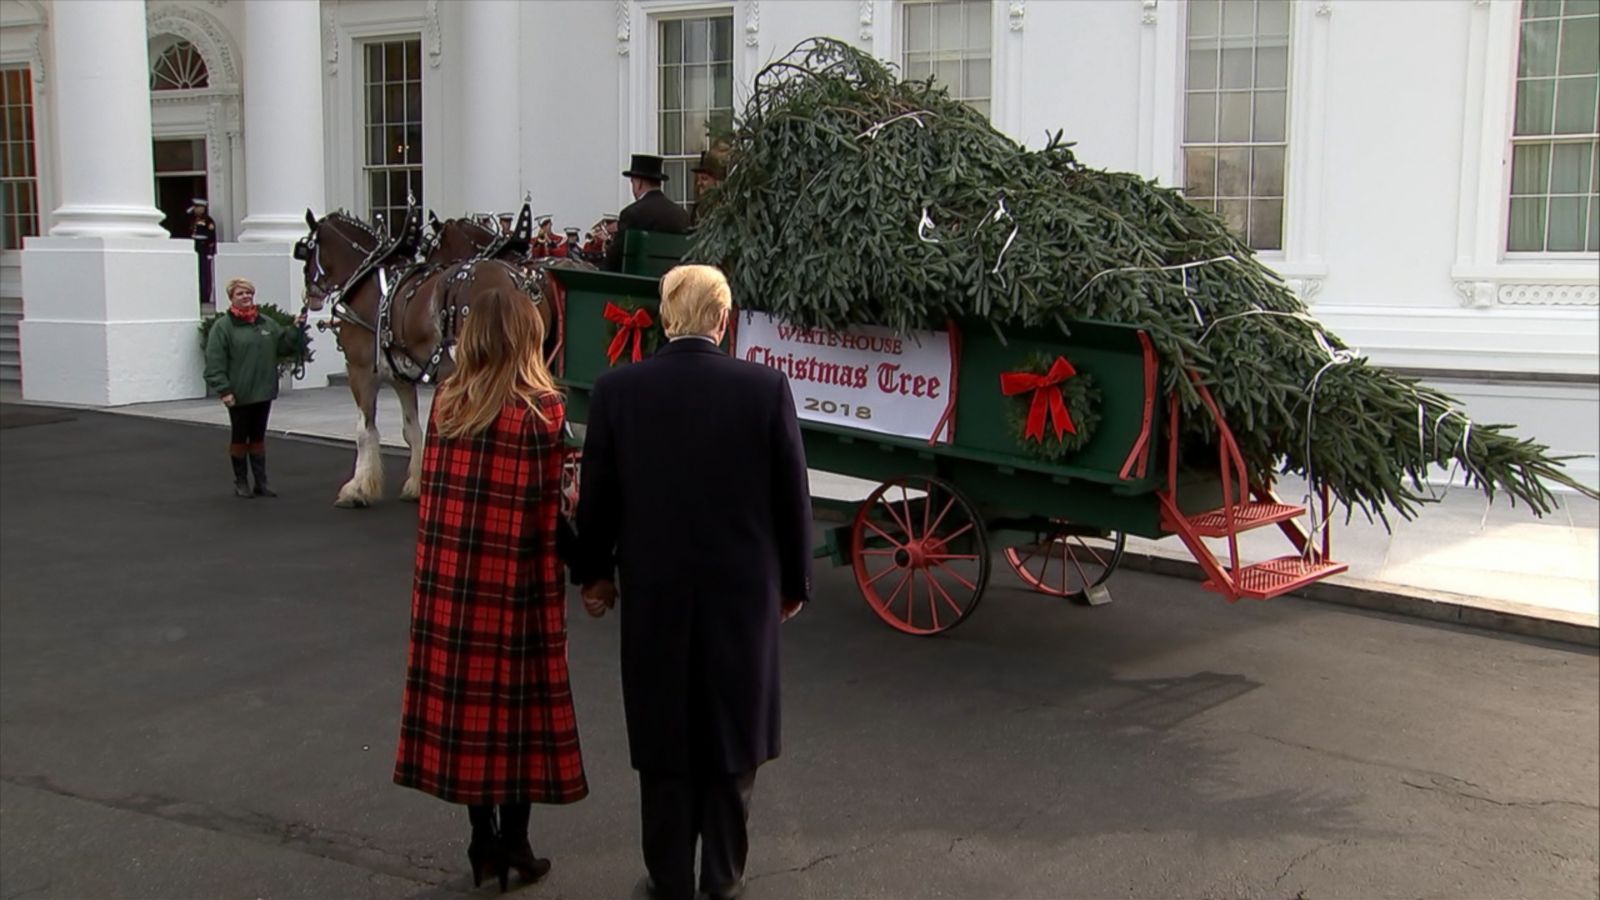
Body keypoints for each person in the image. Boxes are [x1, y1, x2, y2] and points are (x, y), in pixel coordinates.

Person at [576, 265, 812, 900]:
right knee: (733, 738)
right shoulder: (765, 388)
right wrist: (794, 581)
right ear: (723, 318)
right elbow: (792, 498)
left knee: (663, 735)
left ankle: (668, 877)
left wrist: (594, 574)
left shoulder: (618, 390)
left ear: (665, 315)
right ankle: (722, 878)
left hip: (656, 590)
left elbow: (597, 498)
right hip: (743, 592)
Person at [393, 286, 588, 892]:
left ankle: (482, 844)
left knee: (471, 716)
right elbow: (554, 520)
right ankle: (517, 844)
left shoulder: (448, 403)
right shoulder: (542, 412)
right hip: (519, 588)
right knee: (520, 716)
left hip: (452, 591)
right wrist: (591, 566)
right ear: (529, 338)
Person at [202, 278, 309, 499]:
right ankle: (241, 481)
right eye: (240, 294)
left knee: (258, 436)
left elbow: (284, 345)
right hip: (239, 394)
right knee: (240, 437)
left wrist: (295, 328)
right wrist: (224, 390)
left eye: (249, 293)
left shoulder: (267, 323)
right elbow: (214, 362)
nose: (246, 297)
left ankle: (261, 482)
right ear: (231, 298)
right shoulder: (223, 327)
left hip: (263, 391)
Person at [604, 153, 691, 272]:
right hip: (673, 284)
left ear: (639, 182)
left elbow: (614, 261)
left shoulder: (632, 213)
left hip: (638, 286)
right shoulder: (681, 215)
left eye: (632, 182)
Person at [189, 199, 219, 306]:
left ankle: (204, 296)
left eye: (199, 207)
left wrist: (210, 252)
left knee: (204, 274)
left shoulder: (208, 221)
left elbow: (211, 237)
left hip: (204, 250)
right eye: (195, 207)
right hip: (195, 248)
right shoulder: (193, 219)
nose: (197, 209)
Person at [690, 149, 729, 227]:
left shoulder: (724, 208)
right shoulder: (696, 209)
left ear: (716, 181)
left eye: (704, 178)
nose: (699, 183)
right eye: (698, 179)